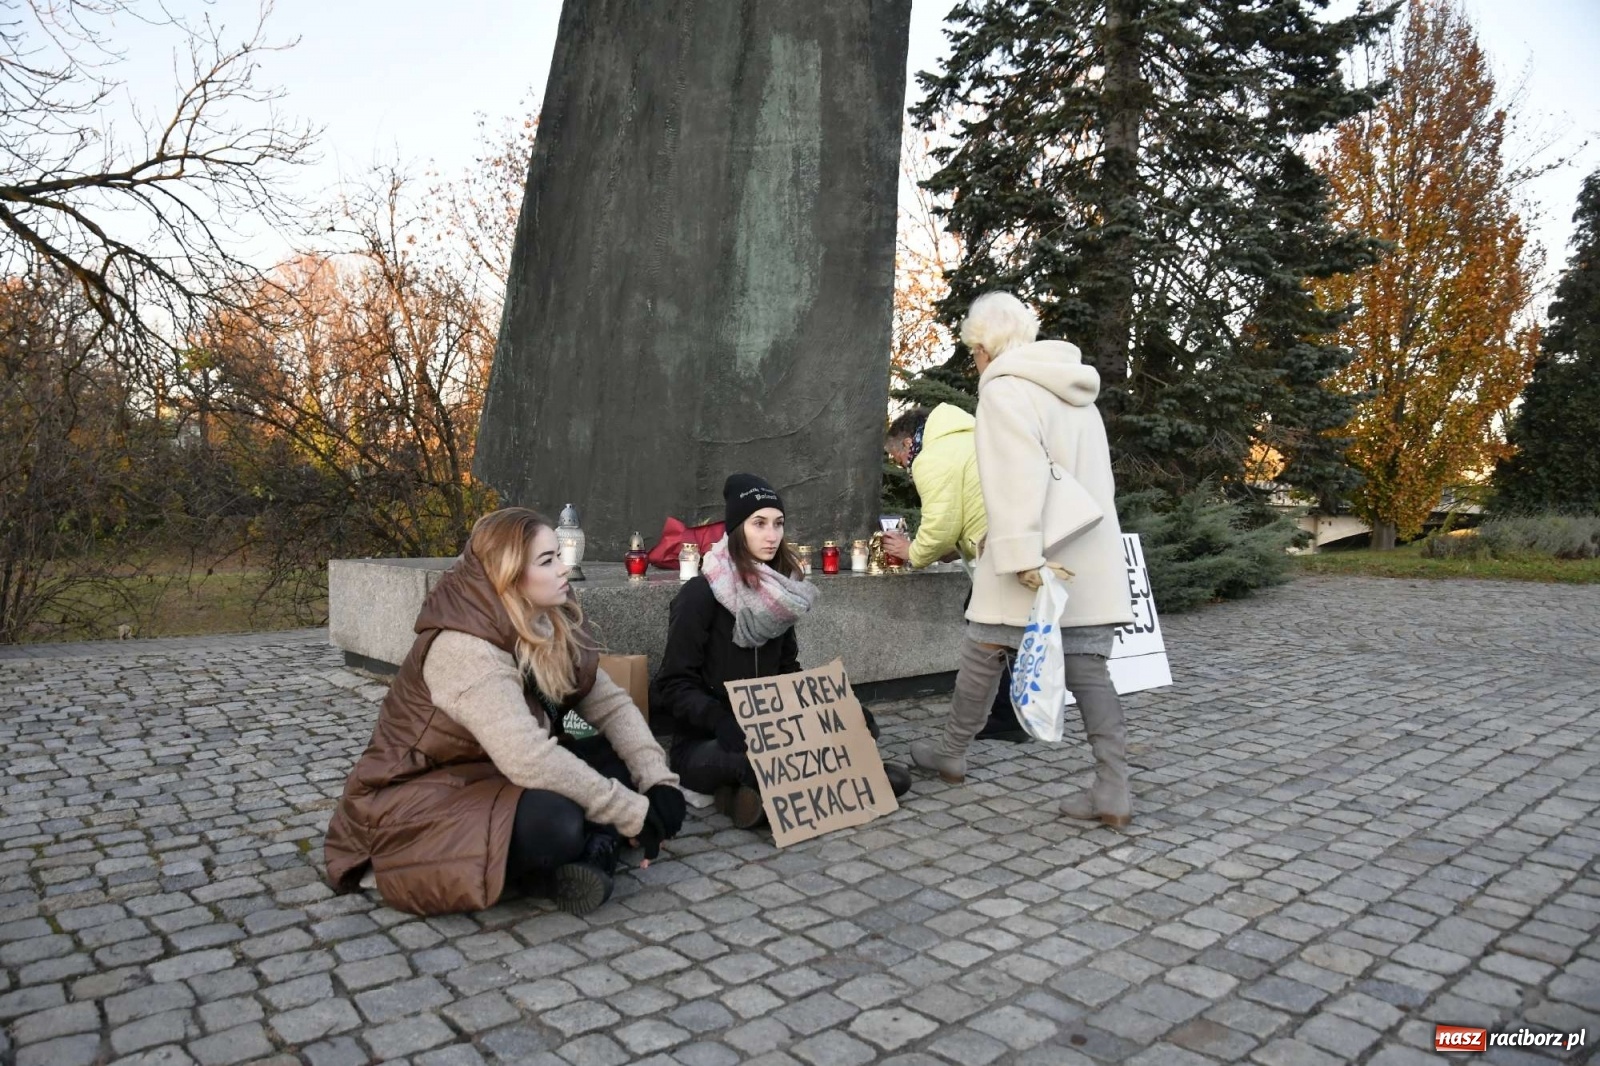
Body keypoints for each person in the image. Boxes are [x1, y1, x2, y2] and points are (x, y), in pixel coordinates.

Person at [324, 508, 686, 916]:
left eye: (559, 555)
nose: (564, 568)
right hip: (410, 798)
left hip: (489, 771)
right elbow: (528, 758)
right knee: (556, 820)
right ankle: (574, 851)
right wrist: (633, 813)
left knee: (608, 758)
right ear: (508, 574)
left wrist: (658, 782)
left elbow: (609, 704)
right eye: (547, 561)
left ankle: (589, 853)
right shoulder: (464, 648)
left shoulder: (545, 621)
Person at [909, 292, 1137, 827]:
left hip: (1032, 554)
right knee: (1087, 669)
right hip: (1086, 552)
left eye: (974, 351)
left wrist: (1016, 557)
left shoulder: (1006, 392)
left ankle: (951, 752)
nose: (975, 362)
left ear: (986, 346)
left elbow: (1015, 481)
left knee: (982, 645)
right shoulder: (1077, 392)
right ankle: (1113, 788)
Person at [651, 473, 913, 828]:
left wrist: (832, 709)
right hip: (706, 742)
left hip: (767, 729)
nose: (771, 535)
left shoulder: (781, 595)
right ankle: (849, 776)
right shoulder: (700, 595)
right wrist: (718, 719)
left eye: (778, 524)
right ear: (737, 529)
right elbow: (672, 683)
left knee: (862, 722)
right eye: (759, 524)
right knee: (757, 760)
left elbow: (787, 670)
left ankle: (742, 798)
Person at [883, 404, 1027, 743]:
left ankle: (996, 721)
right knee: (1004, 631)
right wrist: (952, 549)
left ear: (906, 444)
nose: (902, 466)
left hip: (998, 555)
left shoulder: (931, 457)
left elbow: (942, 525)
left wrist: (911, 552)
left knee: (990, 632)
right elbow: (968, 509)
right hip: (1014, 545)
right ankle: (1013, 713)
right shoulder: (968, 438)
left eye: (896, 458)